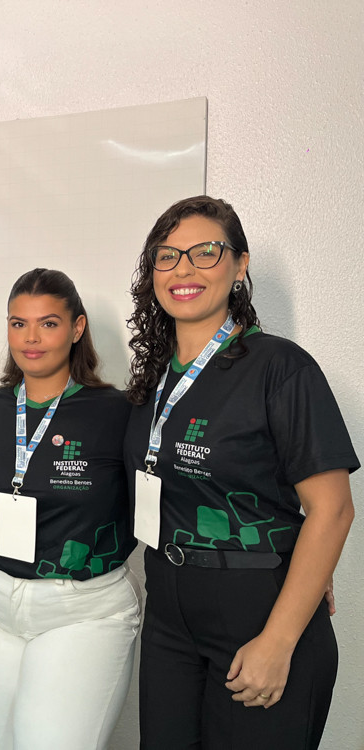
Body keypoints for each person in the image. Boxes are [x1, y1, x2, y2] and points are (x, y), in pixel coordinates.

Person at [123, 195, 357, 749]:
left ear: (239, 265)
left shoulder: (281, 367)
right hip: (169, 610)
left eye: (205, 252)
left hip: (256, 607)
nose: (184, 269)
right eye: (167, 256)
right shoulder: (152, 380)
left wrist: (279, 641)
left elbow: (332, 509)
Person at [0, 269, 139, 749]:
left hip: (81, 611)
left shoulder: (116, 413)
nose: (30, 338)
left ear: (77, 328)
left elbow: (166, 496)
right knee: (0, 742)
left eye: (48, 323)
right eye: (18, 324)